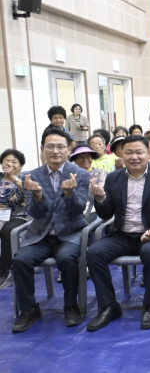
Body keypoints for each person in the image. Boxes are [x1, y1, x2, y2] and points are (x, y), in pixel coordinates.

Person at [86, 135, 150, 331]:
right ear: (121, 155)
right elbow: (106, 214)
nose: (134, 157)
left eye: (139, 152)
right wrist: (100, 199)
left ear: (148, 154)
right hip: (122, 235)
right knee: (94, 253)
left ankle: (149, 305)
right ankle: (109, 306)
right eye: (129, 152)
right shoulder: (113, 178)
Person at [11, 129, 90, 332]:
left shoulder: (80, 174)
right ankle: (29, 308)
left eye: (60, 146)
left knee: (66, 258)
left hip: (70, 234)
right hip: (40, 235)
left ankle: (70, 305)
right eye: (50, 146)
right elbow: (34, 213)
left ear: (69, 149)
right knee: (20, 260)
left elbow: (78, 210)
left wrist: (69, 194)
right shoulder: (31, 176)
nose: (55, 151)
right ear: (42, 149)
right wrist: (37, 195)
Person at [0, 149, 28, 288]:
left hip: (19, 216)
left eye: (14, 162)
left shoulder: (25, 179)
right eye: (6, 161)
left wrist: (12, 177)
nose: (9, 164)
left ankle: (5, 270)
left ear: (20, 166)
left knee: (8, 230)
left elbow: (27, 192)